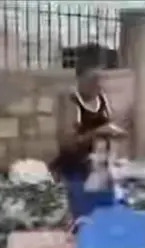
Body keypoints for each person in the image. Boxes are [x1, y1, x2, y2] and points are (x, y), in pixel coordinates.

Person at [51, 61, 124, 219]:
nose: (97, 84)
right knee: (83, 217)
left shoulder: (102, 99)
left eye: (100, 79)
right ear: (79, 78)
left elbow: (109, 125)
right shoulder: (70, 102)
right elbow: (66, 144)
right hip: (76, 170)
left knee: (104, 215)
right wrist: (97, 133)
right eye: (92, 79)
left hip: (101, 169)